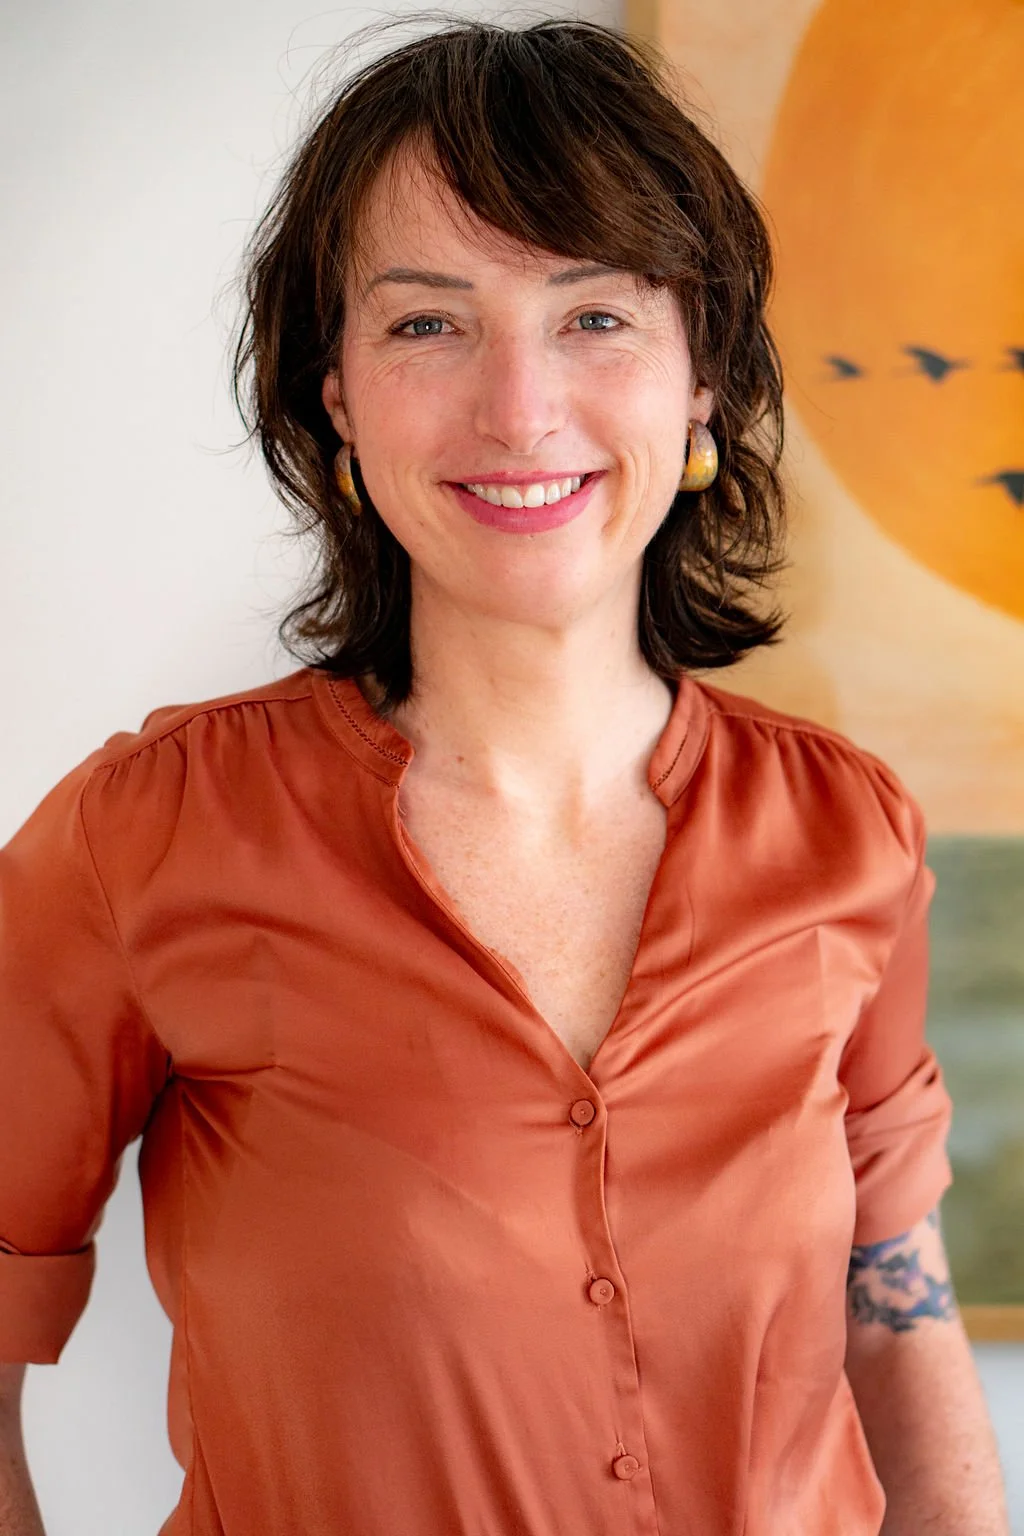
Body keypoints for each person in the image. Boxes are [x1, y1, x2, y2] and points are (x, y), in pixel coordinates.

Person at [0, 17, 1009, 1536]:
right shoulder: (145, 839)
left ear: (702, 385)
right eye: (426, 324)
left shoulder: (843, 831)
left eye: (595, 316)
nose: (520, 409)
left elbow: (891, 1304)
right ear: (334, 394)